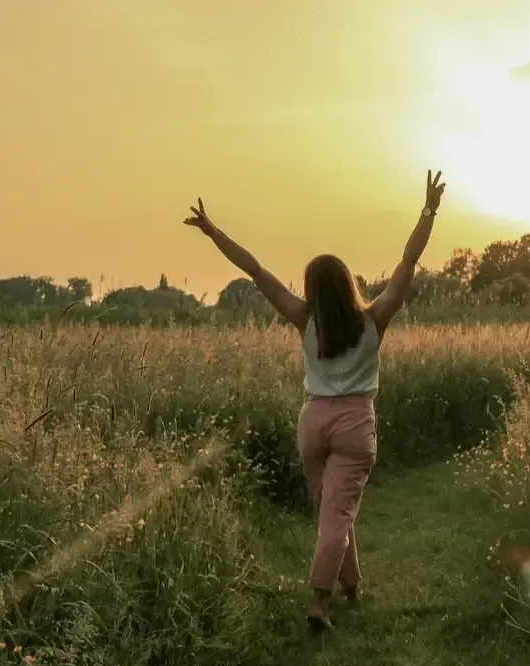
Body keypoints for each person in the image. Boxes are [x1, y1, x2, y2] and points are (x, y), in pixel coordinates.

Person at [182, 170, 447, 632]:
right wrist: (428, 211)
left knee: (333, 512)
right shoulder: (375, 319)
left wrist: (212, 231)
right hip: (354, 425)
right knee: (336, 515)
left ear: (312, 288)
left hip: (313, 424)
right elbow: (408, 262)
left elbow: (255, 271)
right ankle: (319, 603)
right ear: (347, 283)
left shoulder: (303, 319)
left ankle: (351, 586)